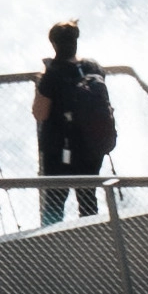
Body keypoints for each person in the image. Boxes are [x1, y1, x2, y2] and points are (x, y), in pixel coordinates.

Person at [31, 20, 102, 224]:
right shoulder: (93, 67)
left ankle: (52, 242)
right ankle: (94, 238)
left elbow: (40, 113)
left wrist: (42, 79)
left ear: (54, 44)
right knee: (88, 200)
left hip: (60, 150)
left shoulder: (52, 75)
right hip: (91, 147)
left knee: (55, 202)